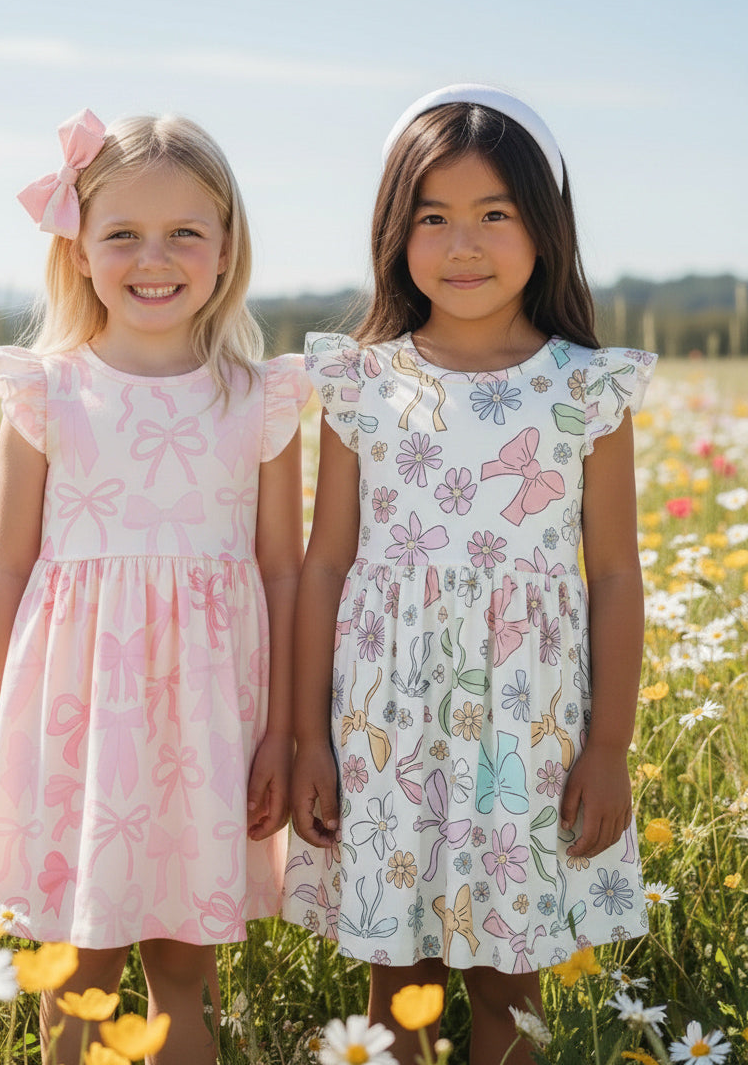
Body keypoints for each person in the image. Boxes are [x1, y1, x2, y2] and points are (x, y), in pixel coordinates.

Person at [284, 84, 655, 1064]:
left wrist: (608, 742)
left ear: (546, 229)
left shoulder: (584, 385)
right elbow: (325, 563)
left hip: (526, 731)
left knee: (509, 982)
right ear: (392, 232)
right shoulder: (359, 382)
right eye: (432, 217)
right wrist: (307, 737)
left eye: (495, 214)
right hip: (382, 726)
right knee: (393, 985)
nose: (463, 244)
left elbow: (614, 572)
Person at [0, 108, 309, 1065]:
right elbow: (7, 570)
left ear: (225, 247)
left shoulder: (260, 399)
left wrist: (283, 734)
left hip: (208, 733)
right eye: (121, 232)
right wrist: (0, 732)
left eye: (183, 233)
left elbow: (282, 575)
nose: (151, 257)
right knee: (76, 980)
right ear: (78, 249)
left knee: (179, 982)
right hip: (72, 728)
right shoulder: (48, 389)